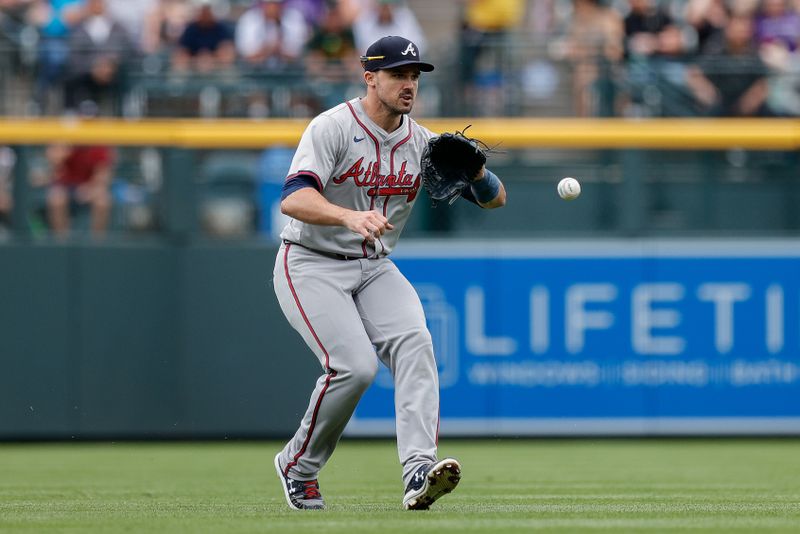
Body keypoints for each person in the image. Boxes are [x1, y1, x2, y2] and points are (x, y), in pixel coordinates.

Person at [272, 35, 506, 511]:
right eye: (399, 74)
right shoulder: (332, 127)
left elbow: (494, 200)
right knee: (354, 368)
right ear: (370, 77)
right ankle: (298, 464)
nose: (409, 84)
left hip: (374, 266)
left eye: (415, 75)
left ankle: (419, 469)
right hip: (310, 261)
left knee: (416, 344)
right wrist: (348, 216)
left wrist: (479, 174)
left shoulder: (422, 142)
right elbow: (293, 198)